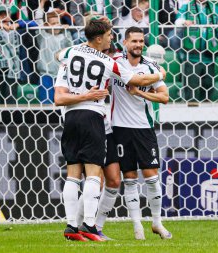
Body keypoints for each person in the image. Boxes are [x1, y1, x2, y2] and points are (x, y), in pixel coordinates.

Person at [54, 19, 166, 241]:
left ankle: (71, 227)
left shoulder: (69, 54)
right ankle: (89, 225)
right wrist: (161, 74)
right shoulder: (109, 62)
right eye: (108, 35)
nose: (111, 38)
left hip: (70, 116)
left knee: (73, 174)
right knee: (95, 174)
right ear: (98, 38)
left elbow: (58, 59)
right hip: (93, 117)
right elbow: (135, 79)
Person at [111, 27, 172, 240]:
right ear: (126, 42)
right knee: (129, 179)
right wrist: (155, 77)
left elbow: (164, 97)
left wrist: (141, 94)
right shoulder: (116, 63)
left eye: (141, 41)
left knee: (152, 178)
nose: (138, 44)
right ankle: (137, 227)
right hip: (119, 128)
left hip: (144, 127)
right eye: (134, 41)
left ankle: (157, 222)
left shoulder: (150, 65)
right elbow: (133, 81)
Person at [175, 0, 218, 102]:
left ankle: (207, 111)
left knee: (208, 86)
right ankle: (191, 112)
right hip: (192, 57)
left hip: (209, 55)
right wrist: (184, 22)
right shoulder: (186, 7)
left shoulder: (213, 7)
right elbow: (178, 20)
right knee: (191, 87)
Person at [0, 4, 38, 105]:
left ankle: (9, 120)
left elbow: (34, 24)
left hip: (13, 71)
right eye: (0, 15)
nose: (4, 17)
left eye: (6, 14)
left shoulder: (18, 30)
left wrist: (18, 24)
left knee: (11, 101)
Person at [35, 2, 73, 104]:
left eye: (58, 23)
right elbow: (38, 21)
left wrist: (66, 30)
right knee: (46, 104)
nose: (56, 26)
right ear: (47, 25)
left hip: (61, 76)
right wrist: (41, 5)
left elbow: (70, 47)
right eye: (53, 24)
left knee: (62, 104)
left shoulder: (64, 36)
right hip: (46, 75)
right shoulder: (43, 36)